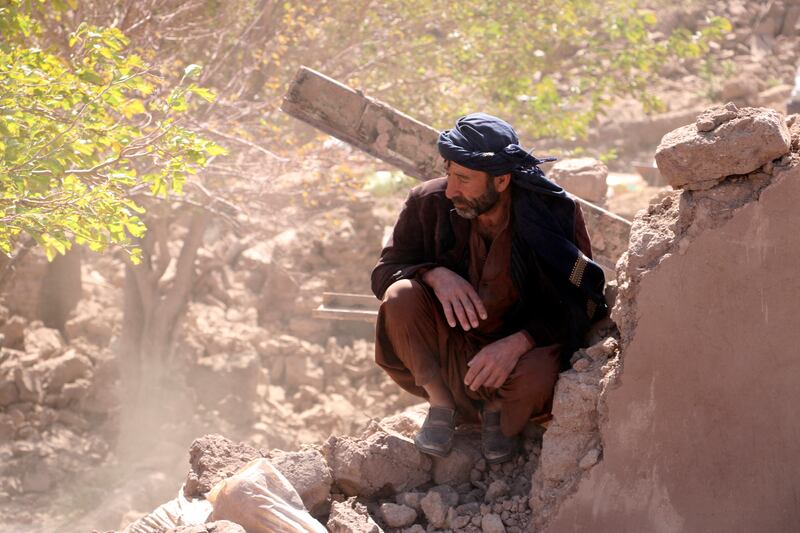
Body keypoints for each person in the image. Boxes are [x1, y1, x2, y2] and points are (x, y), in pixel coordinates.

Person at [371, 113, 606, 463]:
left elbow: (581, 303)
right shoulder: (429, 202)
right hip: (451, 354)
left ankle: (498, 413)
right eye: (449, 173)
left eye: (464, 179)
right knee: (400, 294)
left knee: (541, 370)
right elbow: (384, 273)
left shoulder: (552, 214)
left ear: (501, 181)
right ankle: (441, 404)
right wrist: (433, 274)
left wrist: (518, 342)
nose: (451, 189)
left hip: (516, 363)